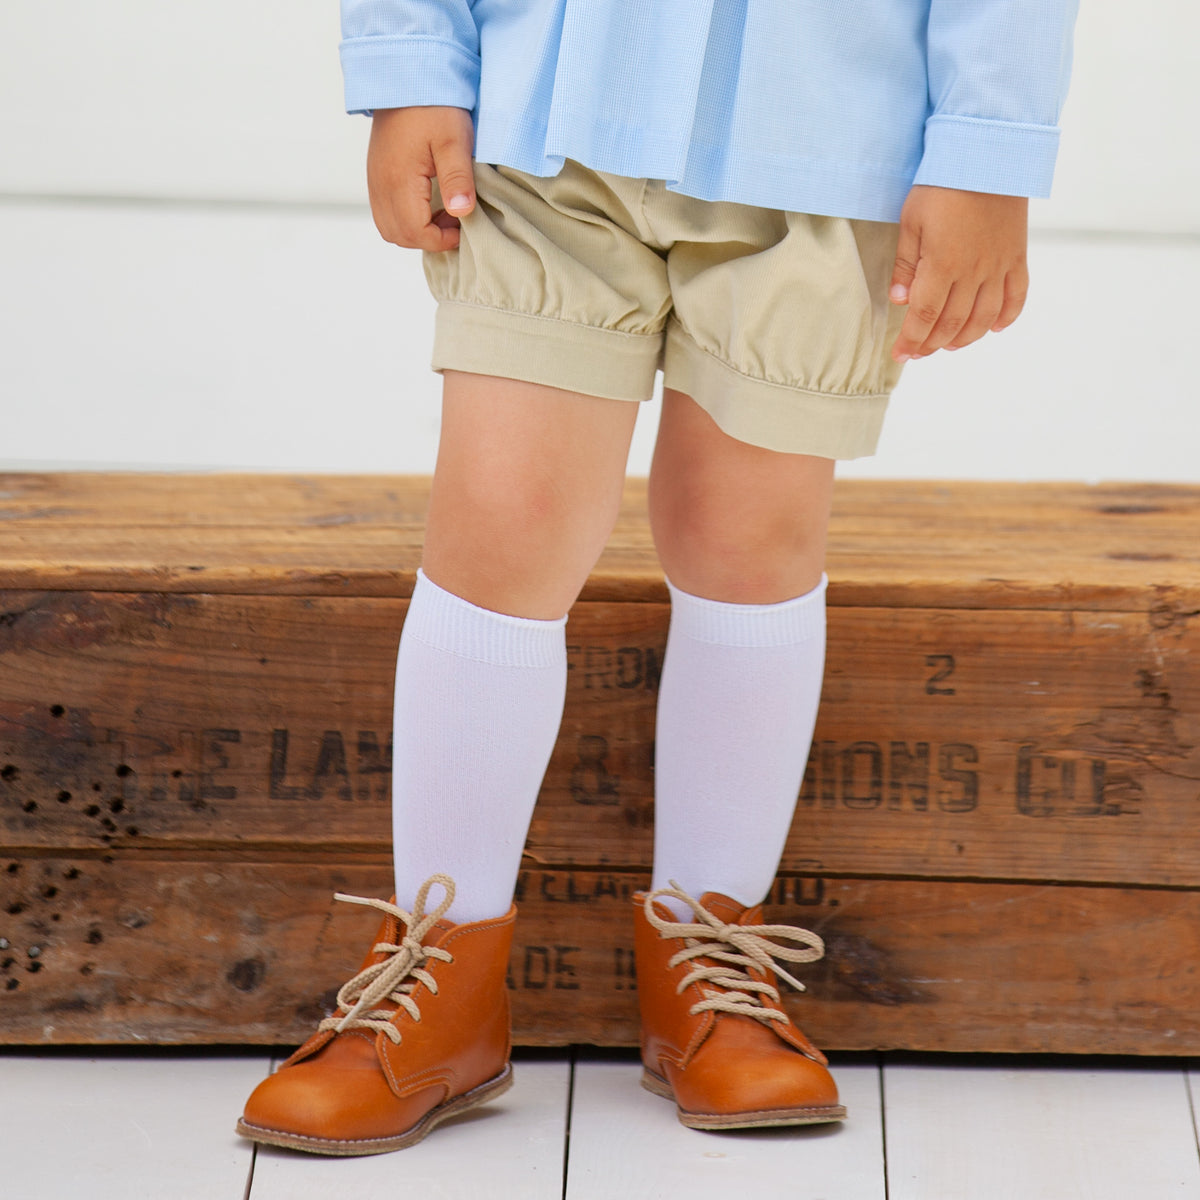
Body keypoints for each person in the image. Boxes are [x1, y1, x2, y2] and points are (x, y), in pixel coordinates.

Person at [237, 0, 1079, 1155]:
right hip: (544, 122)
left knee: (746, 534)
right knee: (503, 521)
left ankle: (710, 959)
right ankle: (442, 975)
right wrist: (411, 60)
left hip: (824, 135)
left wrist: (990, 142)